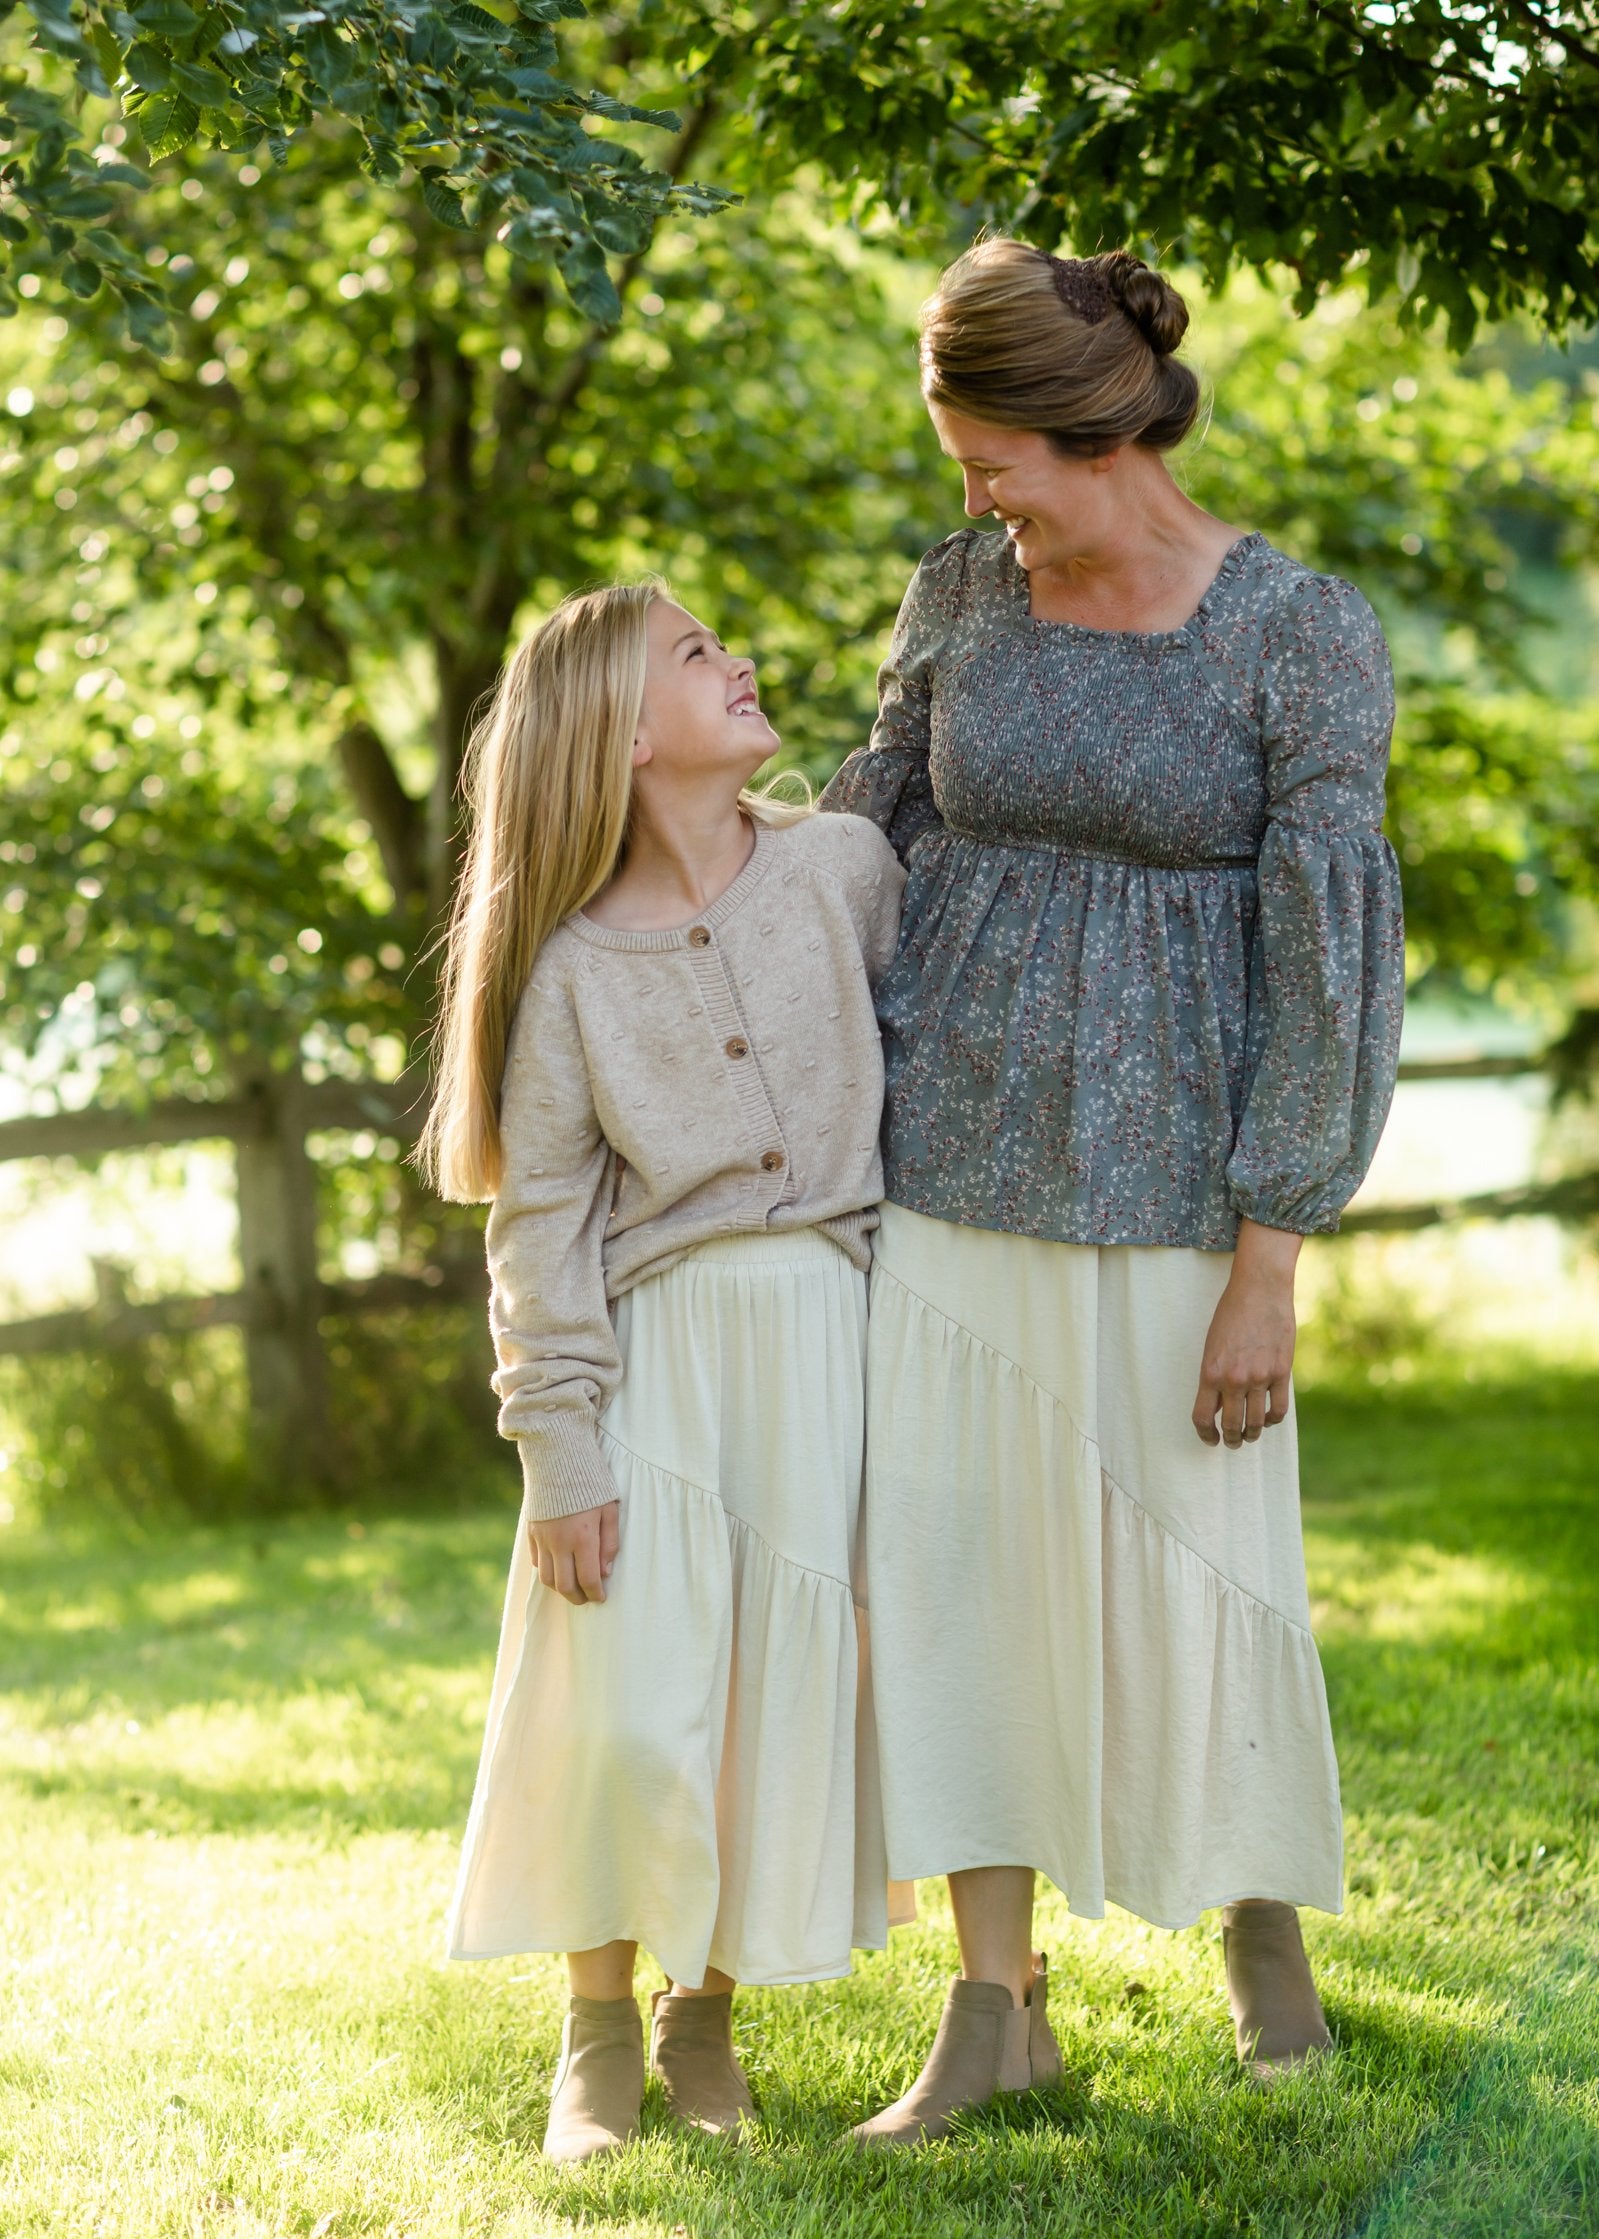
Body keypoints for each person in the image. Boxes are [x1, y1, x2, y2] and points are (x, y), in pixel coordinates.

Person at [822, 239, 1405, 2141]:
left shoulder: (1297, 630)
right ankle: (996, 2013)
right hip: (951, 1161)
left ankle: (1259, 1933)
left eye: (996, 464)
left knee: (1209, 1574)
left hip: (1180, 1192)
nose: (973, 501)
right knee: (953, 1570)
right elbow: (866, 835)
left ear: (1106, 431)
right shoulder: (960, 596)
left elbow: (1330, 965)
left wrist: (1272, 1259)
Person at [419, 581, 908, 2163]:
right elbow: (539, 1228)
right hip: (660, 1365)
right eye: (698, 657)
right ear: (626, 739)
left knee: (760, 1703)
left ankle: (703, 2021)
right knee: (632, 1706)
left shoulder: (842, 868)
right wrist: (560, 1449)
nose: (740, 660)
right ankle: (596, 2027)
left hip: (826, 1347)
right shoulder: (567, 971)